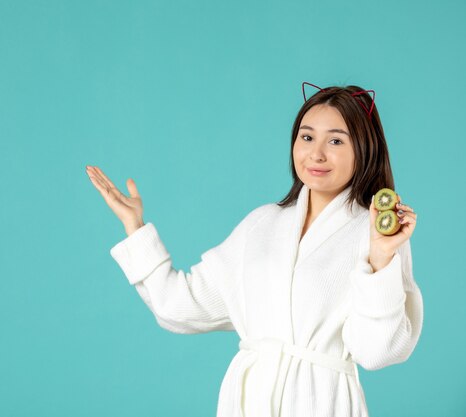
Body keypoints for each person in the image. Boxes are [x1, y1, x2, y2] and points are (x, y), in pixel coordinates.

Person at [85, 82, 423, 417]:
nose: (316, 153)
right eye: (307, 137)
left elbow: (376, 352)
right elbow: (180, 306)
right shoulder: (262, 224)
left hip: (321, 402)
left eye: (335, 140)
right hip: (248, 402)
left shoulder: (376, 234)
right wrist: (135, 227)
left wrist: (380, 260)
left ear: (364, 148)